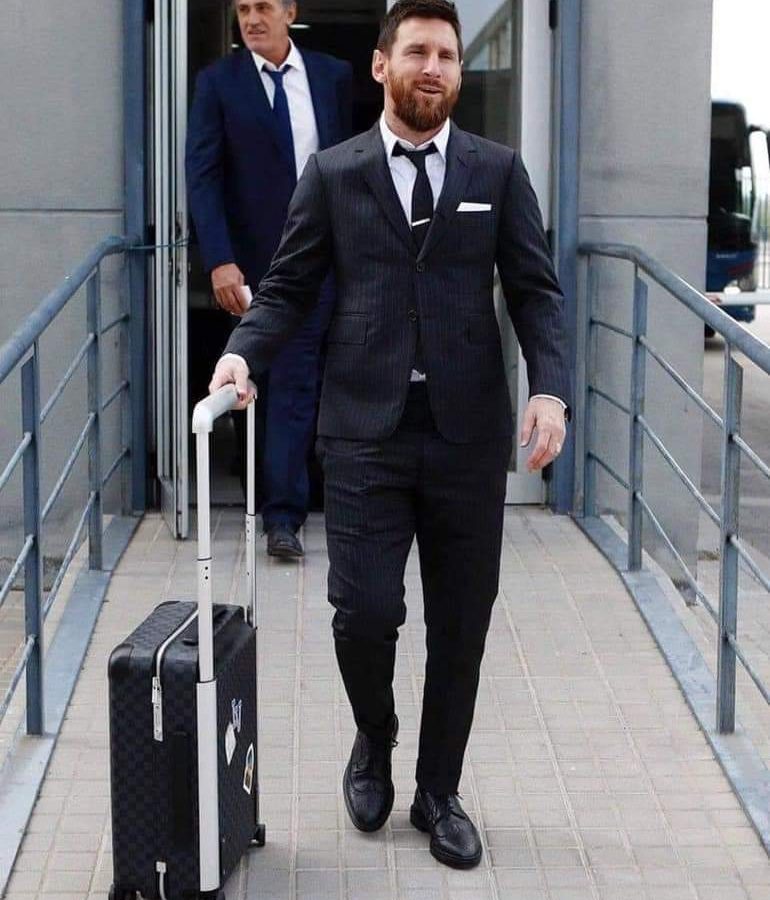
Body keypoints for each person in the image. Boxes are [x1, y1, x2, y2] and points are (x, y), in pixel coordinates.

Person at [209, 0, 571, 870]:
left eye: (446, 54)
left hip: (465, 436)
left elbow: (536, 292)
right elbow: (287, 287)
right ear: (382, 66)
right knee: (364, 612)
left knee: (461, 624)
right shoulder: (334, 173)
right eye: (417, 51)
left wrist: (550, 391)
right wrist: (240, 355)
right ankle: (374, 738)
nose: (433, 67)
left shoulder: (497, 170)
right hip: (363, 432)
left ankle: (438, 790)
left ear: (457, 71)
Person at [186, 0, 352, 558]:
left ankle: (285, 514)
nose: (251, 18)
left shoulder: (331, 76)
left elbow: (350, 163)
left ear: (290, 11)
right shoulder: (218, 84)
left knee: (299, 385)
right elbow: (203, 176)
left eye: (263, 7)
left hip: (321, 260)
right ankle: (270, 505)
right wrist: (219, 259)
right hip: (251, 267)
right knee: (259, 384)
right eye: (242, 9)